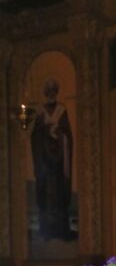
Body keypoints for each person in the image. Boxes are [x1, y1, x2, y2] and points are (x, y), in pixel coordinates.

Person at [30, 79, 74, 241]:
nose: (51, 94)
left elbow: (68, 135)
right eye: (48, 91)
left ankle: (61, 231)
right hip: (45, 164)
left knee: (59, 194)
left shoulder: (62, 111)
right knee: (46, 194)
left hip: (59, 164)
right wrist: (45, 132)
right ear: (45, 93)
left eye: (53, 91)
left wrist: (59, 134)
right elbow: (35, 136)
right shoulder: (40, 112)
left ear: (56, 92)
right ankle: (46, 232)